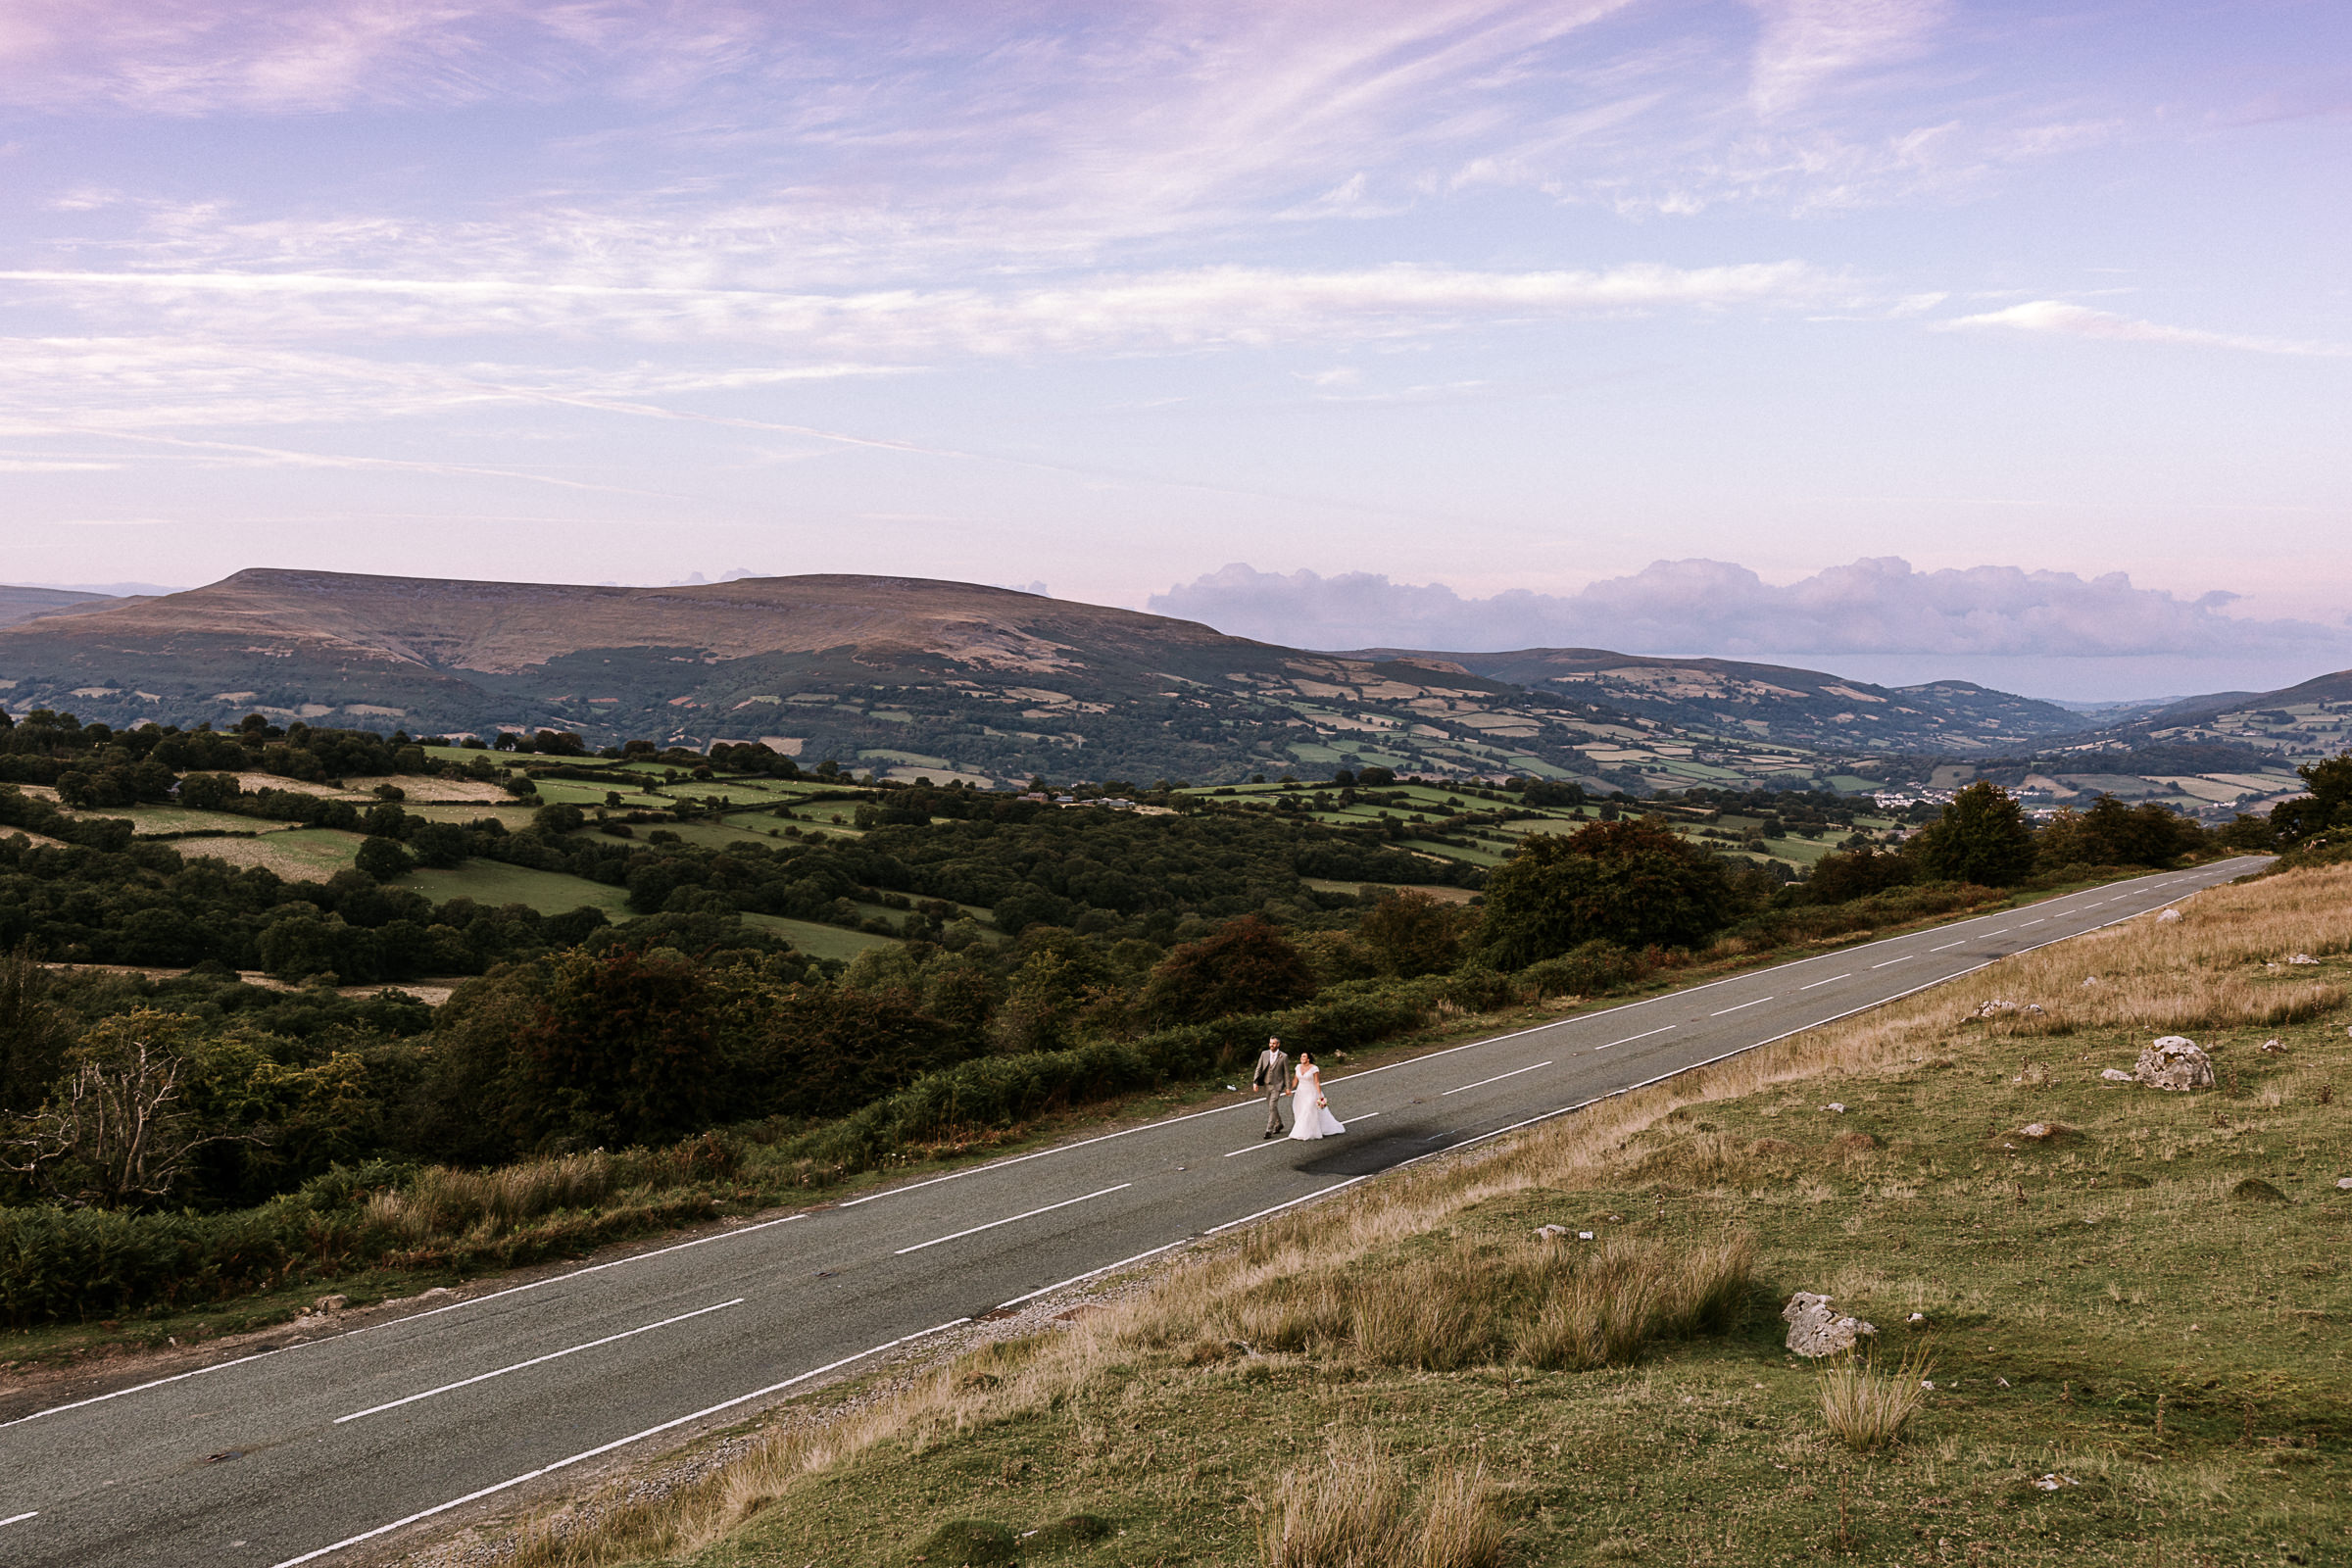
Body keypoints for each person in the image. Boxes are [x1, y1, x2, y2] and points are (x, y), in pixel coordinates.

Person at [1286, 1049, 1346, 1142]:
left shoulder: (1314, 1069)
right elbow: (1295, 1080)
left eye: (1304, 1056)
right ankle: (1307, 1128)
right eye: (1301, 1056)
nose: (1301, 1058)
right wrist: (1289, 1089)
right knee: (1301, 1110)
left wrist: (1320, 1095)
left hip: (1311, 1092)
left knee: (1308, 1110)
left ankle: (1303, 1133)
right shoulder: (1298, 1067)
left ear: (1308, 1059)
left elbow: (1317, 1082)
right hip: (1300, 1093)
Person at [1251, 1036, 1292, 1138]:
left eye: (1273, 1043)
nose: (1271, 1045)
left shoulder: (1284, 1056)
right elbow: (1258, 1068)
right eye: (1270, 1043)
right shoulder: (1264, 1054)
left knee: (1272, 1106)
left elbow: (1287, 1073)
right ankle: (1279, 1124)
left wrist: (1288, 1087)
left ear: (1278, 1044)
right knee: (1271, 1106)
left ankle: (1269, 1130)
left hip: (1277, 1085)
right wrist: (1255, 1082)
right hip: (1266, 1084)